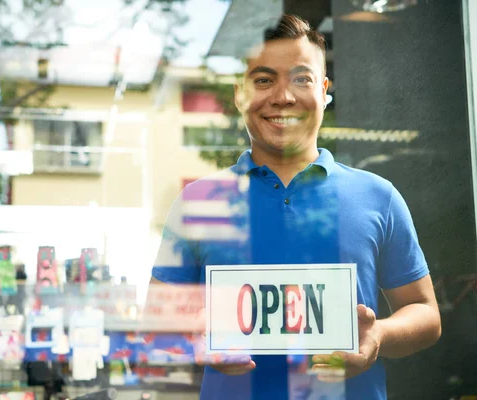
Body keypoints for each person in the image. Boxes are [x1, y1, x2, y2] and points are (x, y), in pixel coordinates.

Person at [147, 13, 441, 400]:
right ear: (240, 94)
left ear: (323, 90)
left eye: (301, 79)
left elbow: (425, 314)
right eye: (264, 80)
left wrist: (379, 336)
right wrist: (192, 336)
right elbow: (154, 324)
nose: (283, 96)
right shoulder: (199, 202)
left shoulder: (379, 197)